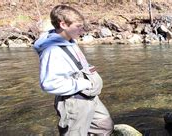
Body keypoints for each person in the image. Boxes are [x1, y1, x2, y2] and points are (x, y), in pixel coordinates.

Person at [33, 5, 113, 136]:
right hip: (74, 100)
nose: (82, 30)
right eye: (78, 26)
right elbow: (49, 83)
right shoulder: (52, 51)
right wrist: (85, 84)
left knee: (104, 126)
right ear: (63, 24)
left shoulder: (70, 40)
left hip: (89, 96)